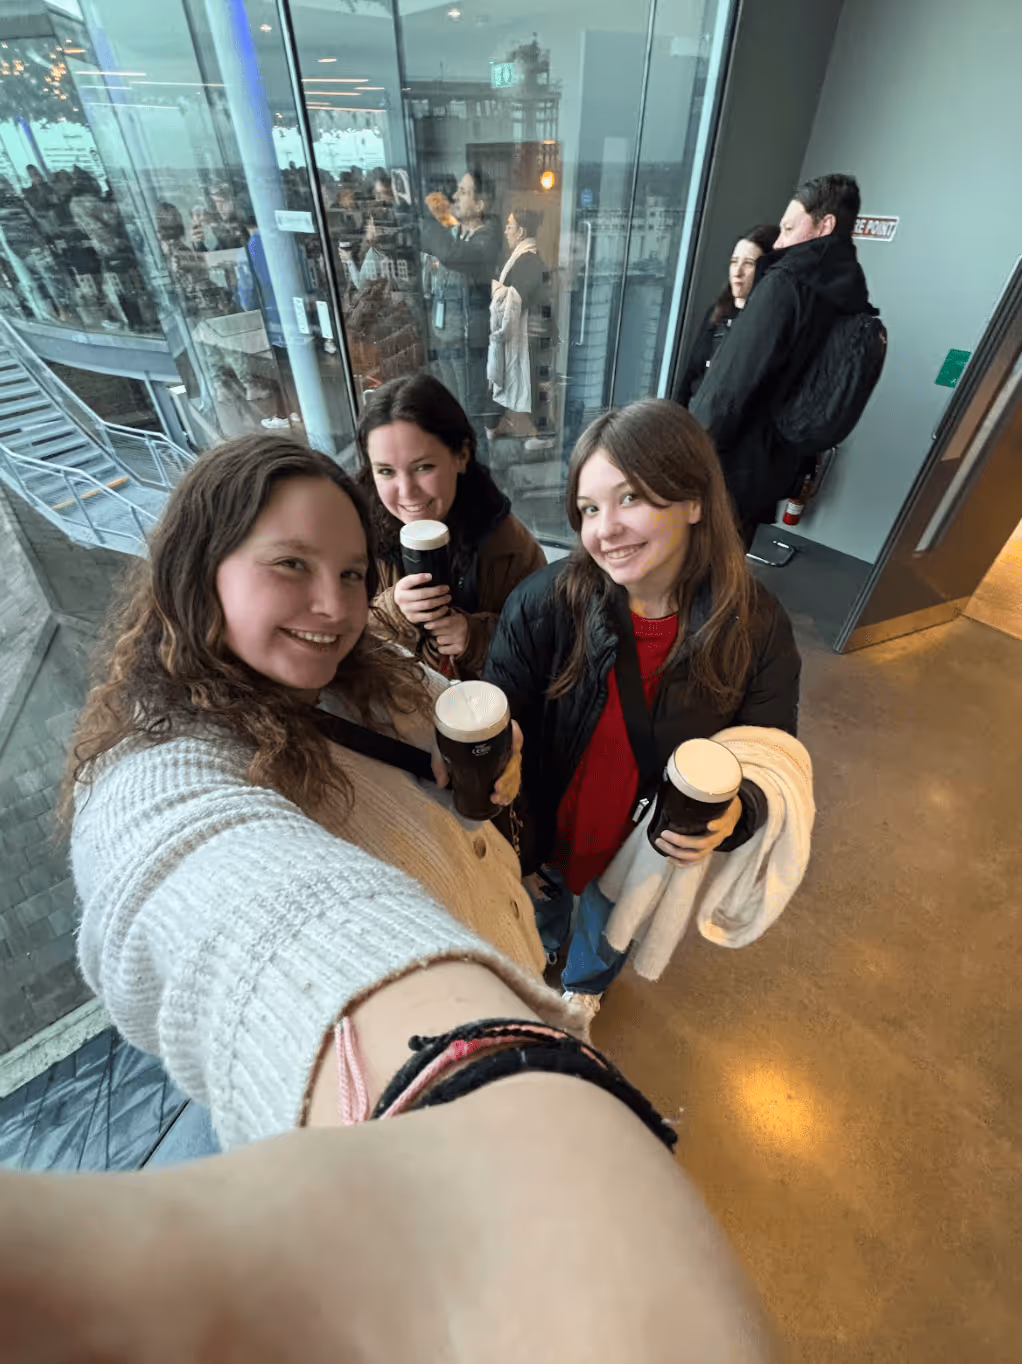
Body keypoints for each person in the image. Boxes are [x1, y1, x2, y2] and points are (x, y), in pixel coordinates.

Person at [1, 888, 775, 1362]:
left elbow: (766, 732)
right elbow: (186, 836)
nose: (334, 609)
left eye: (358, 602)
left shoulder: (398, 678)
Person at [66, 436, 548, 1057]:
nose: (333, 607)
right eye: (291, 563)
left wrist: (503, 740)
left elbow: (460, 706)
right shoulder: (158, 760)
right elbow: (172, 871)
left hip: (521, 972)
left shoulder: (366, 661)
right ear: (199, 568)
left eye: (351, 573)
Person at [484, 399, 804, 1019]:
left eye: (631, 498)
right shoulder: (545, 604)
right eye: (588, 509)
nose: (604, 530)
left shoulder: (755, 625)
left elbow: (770, 751)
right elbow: (504, 716)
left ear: (693, 500)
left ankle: (583, 992)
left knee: (606, 933)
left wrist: (738, 812)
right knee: (540, 913)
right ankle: (539, 957)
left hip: (640, 849)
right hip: (547, 833)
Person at [689, 173, 876, 546]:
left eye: (789, 228)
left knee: (692, 564)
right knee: (727, 564)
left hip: (729, 463)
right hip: (776, 463)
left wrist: (686, 454)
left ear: (825, 225)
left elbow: (730, 383)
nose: (780, 241)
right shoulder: (851, 291)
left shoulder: (787, 281)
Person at [358, 373, 546, 678]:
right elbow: (334, 639)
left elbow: (545, 645)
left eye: (423, 467)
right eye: (386, 471)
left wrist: (475, 638)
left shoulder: (511, 549)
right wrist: (393, 613)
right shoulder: (354, 538)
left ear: (461, 455)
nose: (406, 492)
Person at [419, 167, 502, 436]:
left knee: (470, 413)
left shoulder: (487, 237)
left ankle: (479, 470)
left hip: (467, 343)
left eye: (463, 192)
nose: (455, 196)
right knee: (453, 408)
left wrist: (433, 219)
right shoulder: (459, 231)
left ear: (480, 204)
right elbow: (441, 247)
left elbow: (454, 254)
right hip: (446, 335)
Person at [675, 223, 778, 406]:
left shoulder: (764, 323)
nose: (737, 272)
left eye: (748, 264)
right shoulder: (716, 312)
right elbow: (691, 372)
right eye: (734, 262)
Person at [487, 206, 556, 442]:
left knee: (532, 388)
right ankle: (494, 426)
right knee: (510, 379)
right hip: (530, 335)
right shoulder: (522, 257)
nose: (506, 230)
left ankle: (545, 436)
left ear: (521, 231)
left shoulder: (529, 261)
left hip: (533, 337)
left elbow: (516, 297)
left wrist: (497, 289)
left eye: (510, 225)